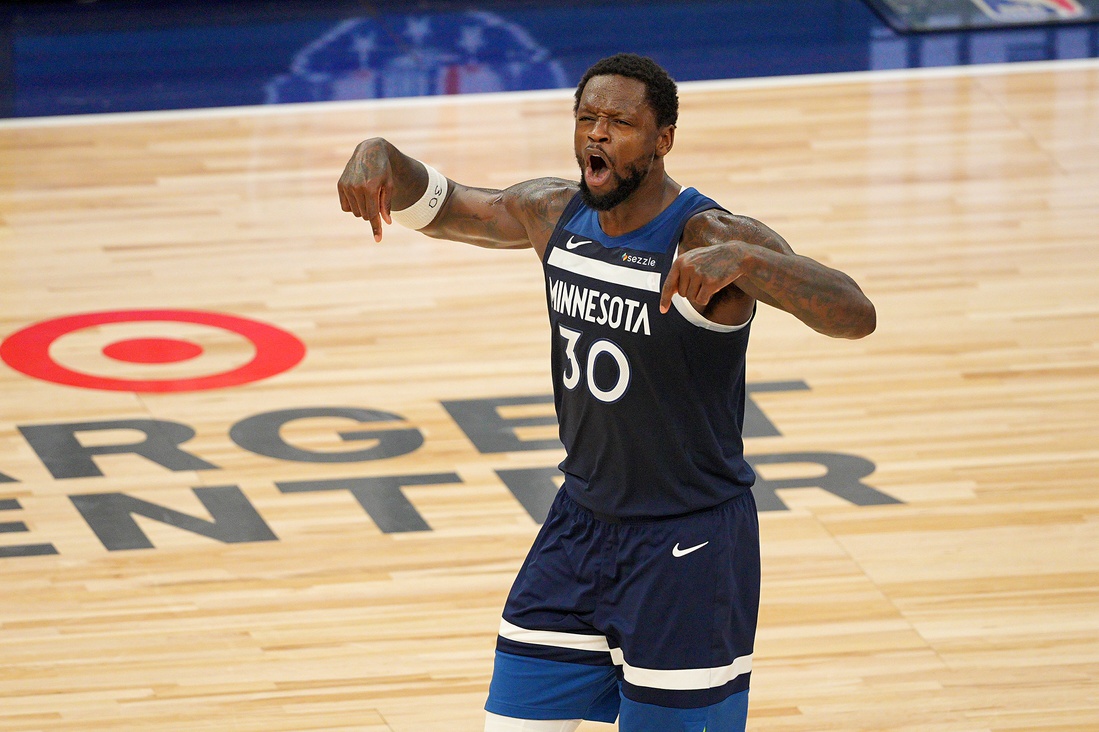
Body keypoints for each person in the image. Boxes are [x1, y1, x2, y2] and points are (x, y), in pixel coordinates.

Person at [338, 53, 875, 732]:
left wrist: (751, 262)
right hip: (579, 528)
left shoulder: (708, 236)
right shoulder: (551, 212)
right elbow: (443, 207)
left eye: (619, 122)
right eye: (586, 118)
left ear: (662, 139)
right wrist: (380, 153)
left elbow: (854, 314)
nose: (596, 133)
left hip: (688, 543)